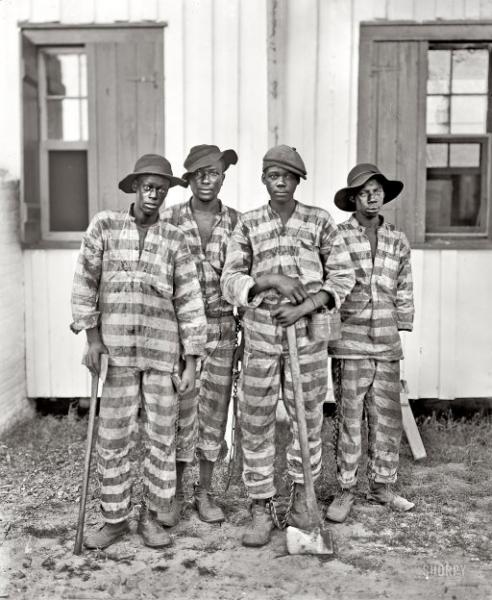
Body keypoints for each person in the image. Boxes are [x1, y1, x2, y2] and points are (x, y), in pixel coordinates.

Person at [221, 145, 355, 547]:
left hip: (308, 341)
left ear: (298, 181)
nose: (280, 181)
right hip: (261, 340)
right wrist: (270, 281)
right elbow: (230, 279)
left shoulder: (319, 222)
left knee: (307, 420)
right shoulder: (248, 224)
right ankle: (261, 507)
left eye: (288, 176)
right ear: (263, 179)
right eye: (273, 175)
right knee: (256, 423)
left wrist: (308, 306)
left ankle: (302, 503)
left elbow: (343, 275)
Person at [70, 154, 207, 549]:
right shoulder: (105, 227)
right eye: (148, 187)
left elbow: (190, 301)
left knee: (162, 436)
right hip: (115, 353)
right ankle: (114, 520)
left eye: (161, 190)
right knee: (113, 437)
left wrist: (191, 361)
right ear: (134, 188)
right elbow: (85, 283)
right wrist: (93, 339)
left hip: (163, 354)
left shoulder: (175, 239)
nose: (154, 195)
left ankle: (150, 517)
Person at [326, 163, 415, 524]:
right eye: (364, 192)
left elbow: (404, 285)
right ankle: (346, 489)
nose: (372, 196)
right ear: (353, 199)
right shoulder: (339, 236)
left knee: (387, 418)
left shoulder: (397, 239)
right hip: (350, 341)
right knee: (349, 418)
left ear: (384, 195)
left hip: (386, 342)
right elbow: (329, 284)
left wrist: (402, 322)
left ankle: (383, 486)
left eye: (377, 190)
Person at [160, 144, 240, 525]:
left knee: (213, 415)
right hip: (180, 333)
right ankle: (172, 493)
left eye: (215, 173)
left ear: (224, 177)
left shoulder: (239, 223)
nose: (208, 180)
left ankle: (204, 492)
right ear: (188, 179)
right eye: (200, 174)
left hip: (223, 330)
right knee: (180, 411)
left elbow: (245, 279)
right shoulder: (170, 219)